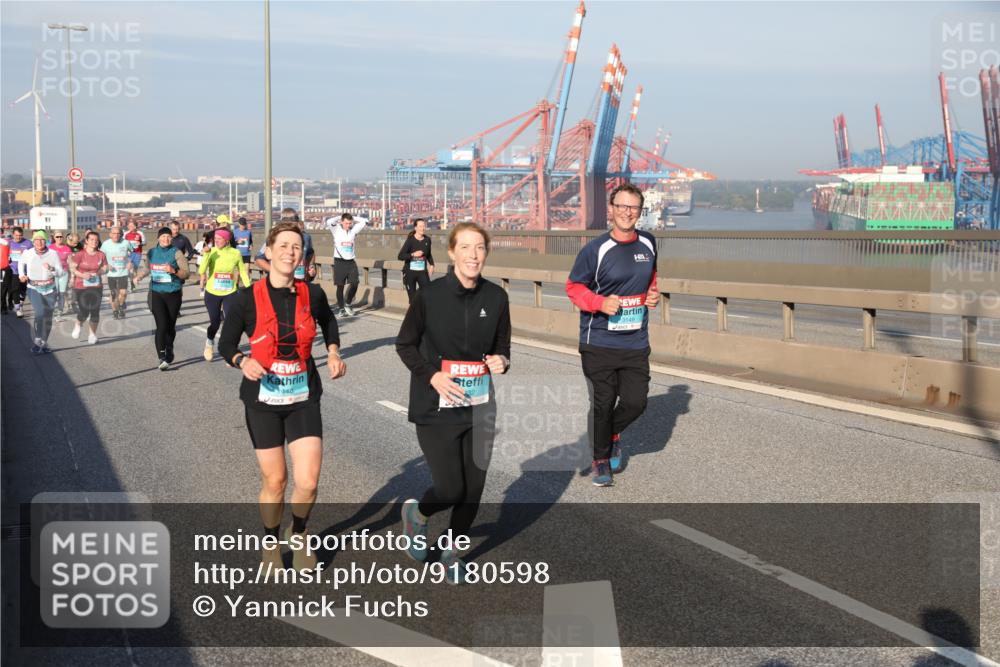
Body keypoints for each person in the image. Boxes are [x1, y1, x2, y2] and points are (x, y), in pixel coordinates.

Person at [218, 221, 346, 573]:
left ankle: (300, 533)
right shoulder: (245, 299)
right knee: (275, 481)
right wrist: (241, 361)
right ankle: (271, 542)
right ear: (269, 252)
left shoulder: (312, 293)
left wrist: (333, 352)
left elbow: (329, 322)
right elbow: (226, 344)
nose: (291, 252)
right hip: (263, 400)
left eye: (297, 247)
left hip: (303, 394)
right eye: (284, 246)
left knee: (308, 481)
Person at [395, 222, 511, 584]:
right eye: (465, 247)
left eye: (479, 248)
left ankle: (451, 552)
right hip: (435, 405)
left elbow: (503, 346)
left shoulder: (496, 297)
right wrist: (432, 375)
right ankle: (418, 514)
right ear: (451, 252)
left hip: (479, 406)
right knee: (449, 489)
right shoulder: (429, 296)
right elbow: (405, 344)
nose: (473, 255)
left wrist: (501, 361)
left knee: (473, 489)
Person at [565, 183, 659, 487]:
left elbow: (651, 278)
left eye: (633, 207)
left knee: (636, 403)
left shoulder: (649, 243)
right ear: (611, 209)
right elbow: (574, 287)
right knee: (603, 403)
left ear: (639, 211)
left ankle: (611, 433)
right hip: (599, 342)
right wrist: (599, 303)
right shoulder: (595, 250)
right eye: (621, 206)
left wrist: (653, 295)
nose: (627, 212)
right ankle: (600, 459)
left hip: (635, 341)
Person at [134, 227, 190, 369]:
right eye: (163, 236)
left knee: (170, 326)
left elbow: (186, 273)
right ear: (158, 238)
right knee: (162, 325)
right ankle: (162, 357)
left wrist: (174, 270)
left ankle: (169, 347)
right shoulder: (152, 252)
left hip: (173, 293)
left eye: (168, 237)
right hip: (156, 293)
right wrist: (139, 276)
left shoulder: (176, 253)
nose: (166, 239)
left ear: (172, 238)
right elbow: (147, 268)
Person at [198, 227, 250, 361]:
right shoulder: (212, 251)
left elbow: (242, 272)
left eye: (219, 239)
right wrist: (206, 255)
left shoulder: (235, 253)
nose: (216, 242)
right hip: (212, 292)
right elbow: (202, 270)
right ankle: (209, 343)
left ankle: (229, 349)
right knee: (215, 322)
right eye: (215, 239)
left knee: (230, 321)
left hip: (230, 292)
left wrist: (250, 290)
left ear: (226, 240)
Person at [18, 230, 65, 353]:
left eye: (42, 239)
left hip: (50, 289)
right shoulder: (28, 253)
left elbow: (60, 273)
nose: (39, 242)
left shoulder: (53, 254)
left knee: (48, 317)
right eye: (36, 240)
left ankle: (43, 343)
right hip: (34, 288)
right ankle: (38, 338)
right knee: (40, 313)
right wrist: (22, 275)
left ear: (46, 241)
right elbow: (20, 263)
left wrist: (51, 268)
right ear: (33, 241)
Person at [69, 230, 109, 345]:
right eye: (91, 239)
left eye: (96, 240)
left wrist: (98, 272)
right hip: (81, 286)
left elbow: (105, 268)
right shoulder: (80, 254)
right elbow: (73, 268)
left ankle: (92, 335)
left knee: (95, 311)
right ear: (86, 241)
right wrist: (82, 275)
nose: (94, 242)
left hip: (96, 286)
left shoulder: (101, 254)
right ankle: (78, 323)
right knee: (84, 310)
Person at [325, 212, 367, 316]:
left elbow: (364, 221)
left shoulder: (353, 231)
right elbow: (329, 221)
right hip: (339, 261)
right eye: (346, 223)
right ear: (342, 222)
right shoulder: (336, 230)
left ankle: (347, 303)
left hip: (351, 262)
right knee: (340, 287)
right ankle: (341, 308)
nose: (348, 225)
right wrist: (340, 217)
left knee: (355, 283)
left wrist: (353, 218)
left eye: (350, 223)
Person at [398, 218, 435, 303]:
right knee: (413, 299)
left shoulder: (427, 240)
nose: (423, 228)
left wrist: (432, 265)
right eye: (420, 226)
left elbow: (428, 254)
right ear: (415, 228)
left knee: (427, 294)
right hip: (410, 273)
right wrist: (413, 254)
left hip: (422, 272)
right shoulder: (410, 241)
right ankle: (414, 315)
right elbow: (400, 256)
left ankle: (425, 314)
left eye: (424, 226)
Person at [100, 226, 133, 320]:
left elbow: (132, 253)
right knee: (114, 294)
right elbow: (101, 257)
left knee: (123, 293)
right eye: (114, 233)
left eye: (118, 233)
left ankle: (122, 305)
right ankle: (115, 311)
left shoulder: (126, 243)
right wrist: (106, 265)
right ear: (110, 234)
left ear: (121, 234)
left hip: (123, 272)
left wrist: (130, 262)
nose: (116, 235)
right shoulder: (106, 244)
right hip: (111, 273)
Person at [5, 227, 33, 317]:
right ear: (13, 235)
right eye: (16, 235)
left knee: (23, 290)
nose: (18, 237)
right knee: (15, 289)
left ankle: (20, 305)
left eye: (20, 235)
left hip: (24, 272)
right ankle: (18, 309)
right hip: (13, 270)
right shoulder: (9, 243)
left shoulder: (28, 243)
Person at [49, 231, 74, 318]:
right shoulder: (50, 248)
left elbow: (71, 262)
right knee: (54, 293)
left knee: (62, 293)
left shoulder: (67, 248)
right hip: (53, 273)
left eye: (61, 237)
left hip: (64, 273)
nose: (59, 238)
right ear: (54, 238)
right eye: (57, 237)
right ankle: (52, 308)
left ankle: (60, 310)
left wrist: (72, 277)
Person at [124, 220, 145, 292]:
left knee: (135, 269)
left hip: (137, 253)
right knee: (130, 269)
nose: (130, 227)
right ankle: (131, 284)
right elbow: (123, 242)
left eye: (132, 226)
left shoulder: (140, 233)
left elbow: (145, 242)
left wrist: (140, 243)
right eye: (129, 226)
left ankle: (134, 281)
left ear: (135, 226)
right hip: (129, 254)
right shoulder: (126, 234)